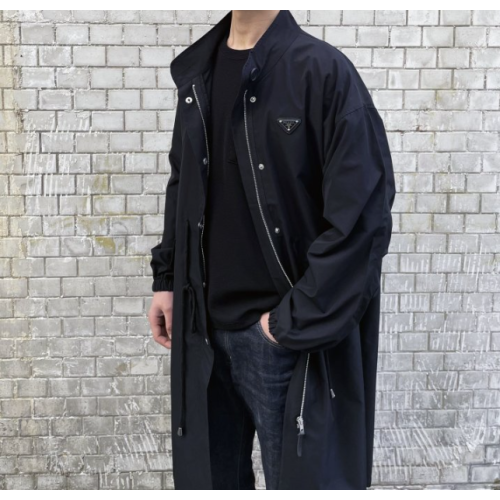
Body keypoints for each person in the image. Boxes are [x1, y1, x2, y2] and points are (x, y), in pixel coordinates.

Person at [148, 10, 395, 491]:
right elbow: (183, 182)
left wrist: (287, 325)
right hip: (202, 334)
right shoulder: (200, 71)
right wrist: (167, 279)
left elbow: (364, 217)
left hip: (283, 344)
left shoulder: (322, 71)